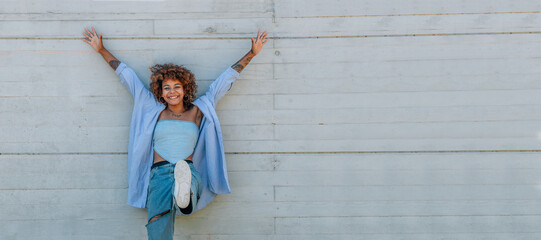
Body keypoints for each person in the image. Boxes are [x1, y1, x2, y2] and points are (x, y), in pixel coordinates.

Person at [82, 27, 268, 240]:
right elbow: (128, 78)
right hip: (159, 174)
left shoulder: (198, 110)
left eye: (177, 87)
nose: (172, 92)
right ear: (160, 92)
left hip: (187, 170)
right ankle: (183, 199)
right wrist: (101, 50)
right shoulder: (153, 110)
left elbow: (223, 83)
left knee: (187, 181)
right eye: (167, 88)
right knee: (156, 227)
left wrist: (251, 54)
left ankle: (185, 196)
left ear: (185, 89)